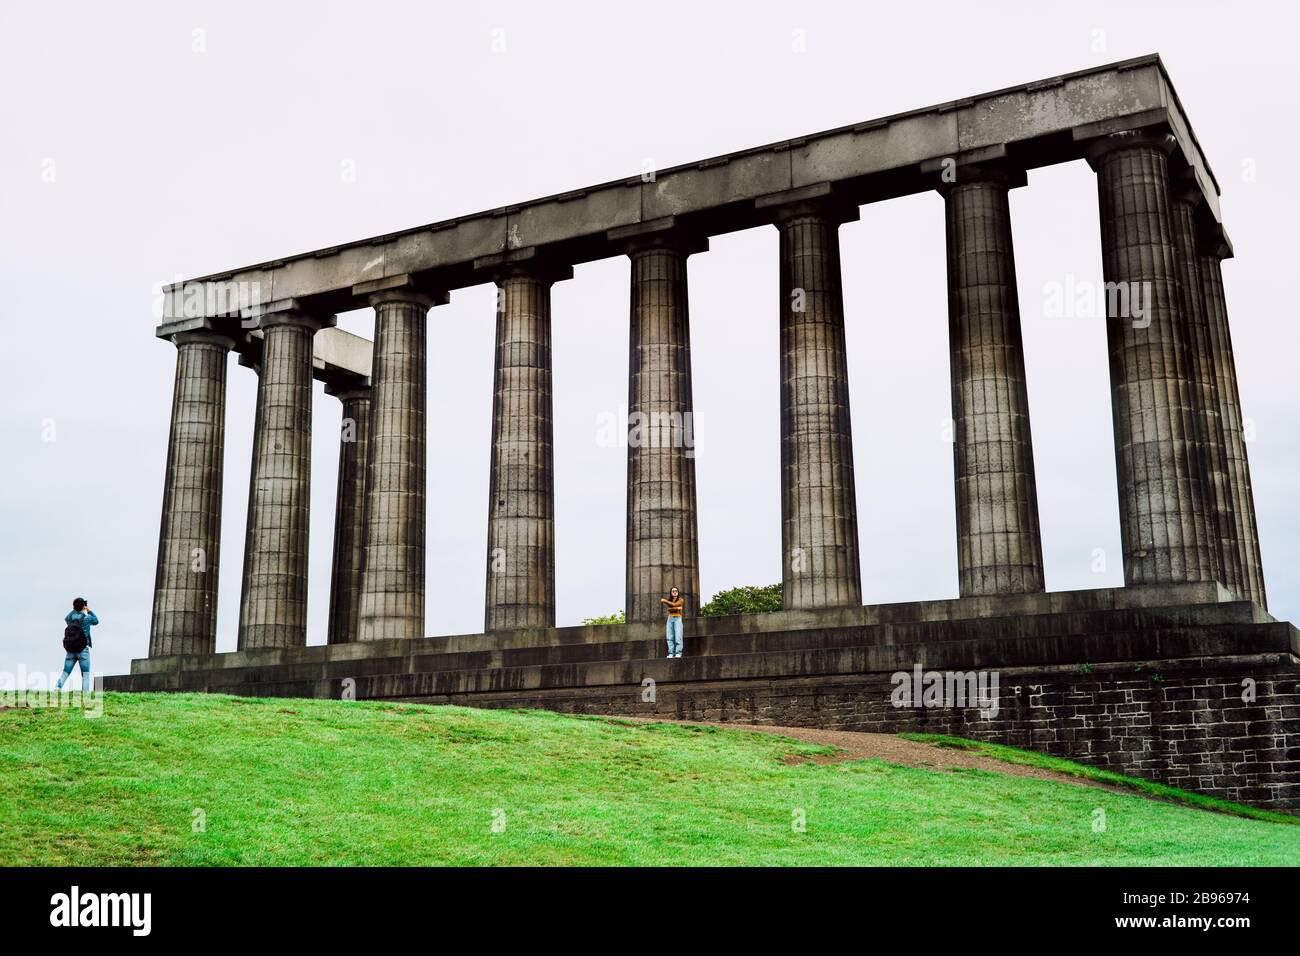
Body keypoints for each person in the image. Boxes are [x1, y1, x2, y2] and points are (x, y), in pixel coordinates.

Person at [57, 597, 98, 692]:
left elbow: (66, 618)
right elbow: (96, 621)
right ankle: (85, 693)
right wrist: (89, 610)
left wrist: (76, 610)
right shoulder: (87, 618)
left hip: (71, 649)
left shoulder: (70, 618)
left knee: (65, 672)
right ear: (84, 606)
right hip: (83, 649)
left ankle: (57, 688)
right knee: (85, 673)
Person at [659, 586, 685, 658]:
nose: (675, 592)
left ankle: (678, 652)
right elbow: (670, 609)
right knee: (670, 636)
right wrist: (677, 608)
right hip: (670, 618)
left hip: (678, 618)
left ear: (678, 592)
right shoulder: (670, 600)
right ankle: (671, 652)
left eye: (676, 591)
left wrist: (665, 601)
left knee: (678, 636)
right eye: (673, 591)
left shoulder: (681, 600)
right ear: (671, 593)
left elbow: (674, 605)